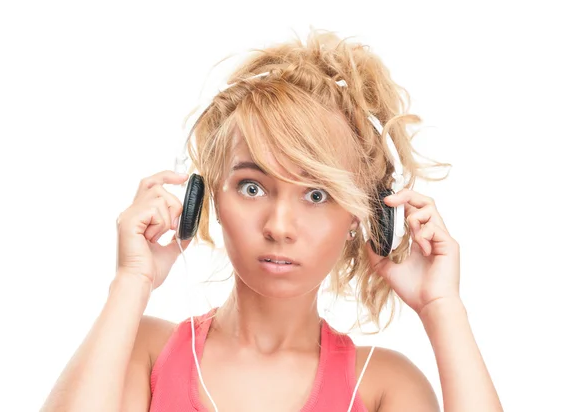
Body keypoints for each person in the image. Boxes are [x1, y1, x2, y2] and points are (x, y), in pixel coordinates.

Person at [41, 29, 503, 411]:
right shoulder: (145, 352)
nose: (280, 226)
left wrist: (442, 307)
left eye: (317, 194)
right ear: (207, 200)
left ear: (363, 216)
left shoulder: (383, 385)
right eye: (252, 187)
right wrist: (131, 281)